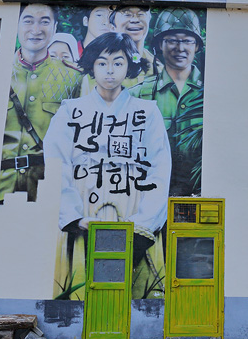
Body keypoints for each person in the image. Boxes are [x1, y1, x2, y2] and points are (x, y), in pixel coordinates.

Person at [45, 32, 171, 300]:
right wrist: (74, 217)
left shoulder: (147, 111)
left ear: (129, 66)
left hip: (132, 208)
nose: (110, 71)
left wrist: (142, 223)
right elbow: (56, 165)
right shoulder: (70, 110)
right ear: (92, 65)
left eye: (118, 62)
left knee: (137, 292)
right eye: (102, 63)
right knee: (79, 289)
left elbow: (159, 169)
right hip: (84, 209)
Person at [0, 3, 83, 204]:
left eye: (44, 22)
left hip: (48, 185)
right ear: (17, 25)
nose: (35, 30)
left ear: (54, 29)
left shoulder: (72, 78)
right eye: (28, 21)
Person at [130, 7, 204, 196]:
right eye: (171, 41)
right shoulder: (138, 94)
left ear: (196, 46)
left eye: (187, 41)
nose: (180, 48)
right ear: (159, 46)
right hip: (148, 194)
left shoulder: (212, 94)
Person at [109, 5, 161, 87]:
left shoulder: (158, 67)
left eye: (141, 14)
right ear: (112, 28)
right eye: (127, 14)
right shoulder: (99, 66)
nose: (135, 20)